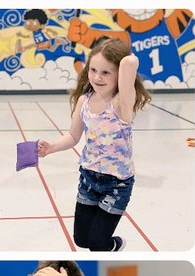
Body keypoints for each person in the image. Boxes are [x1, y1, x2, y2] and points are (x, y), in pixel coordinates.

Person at [37, 39, 151, 251]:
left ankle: (113, 245)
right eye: (93, 70)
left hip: (117, 184)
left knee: (97, 244)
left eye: (106, 73)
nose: (97, 77)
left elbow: (129, 62)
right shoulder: (84, 101)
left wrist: (117, 49)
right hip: (89, 178)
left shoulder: (121, 102)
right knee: (81, 240)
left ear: (120, 75)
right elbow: (73, 135)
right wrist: (51, 147)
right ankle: (108, 243)